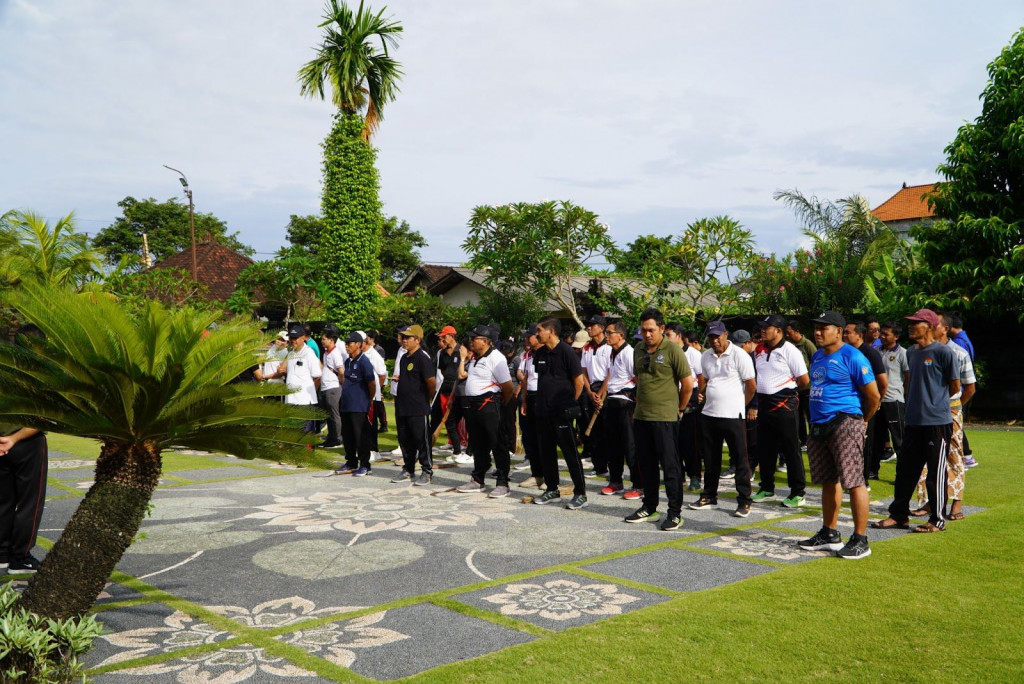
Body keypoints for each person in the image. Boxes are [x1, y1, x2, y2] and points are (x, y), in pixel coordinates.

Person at [798, 311, 880, 559]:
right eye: (816, 328)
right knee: (827, 480)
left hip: (845, 422)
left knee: (854, 481)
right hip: (819, 425)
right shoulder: (818, 356)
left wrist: (862, 422)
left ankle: (860, 539)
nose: (818, 332)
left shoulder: (853, 356)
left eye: (824, 328)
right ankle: (830, 533)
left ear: (839, 331)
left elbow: (874, 396)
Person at [872, 309, 959, 533]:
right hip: (912, 420)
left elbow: (955, 386)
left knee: (935, 472)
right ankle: (899, 515)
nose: (911, 326)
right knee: (905, 470)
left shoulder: (943, 352)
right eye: (910, 323)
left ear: (929, 325)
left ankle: (937, 519)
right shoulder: (911, 352)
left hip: (936, 423)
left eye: (916, 323)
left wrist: (934, 403)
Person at [625, 308, 694, 531]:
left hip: (666, 418)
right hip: (642, 416)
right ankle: (650, 507)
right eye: (644, 330)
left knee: (671, 467)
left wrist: (680, 409)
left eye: (651, 330)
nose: (647, 335)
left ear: (662, 329)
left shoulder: (673, 350)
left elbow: (688, 384)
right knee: (646, 465)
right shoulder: (637, 349)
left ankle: (674, 513)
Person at [913, 314, 977, 520]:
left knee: (954, 453)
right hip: (925, 412)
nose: (933, 326)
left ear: (945, 329)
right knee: (926, 455)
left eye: (937, 324)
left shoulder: (958, 352)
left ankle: (956, 502)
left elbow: (969, 387)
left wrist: (952, 405)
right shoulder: (918, 352)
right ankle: (930, 502)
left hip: (950, 409)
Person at [693, 321, 756, 517]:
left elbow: (751, 386)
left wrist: (740, 405)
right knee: (711, 458)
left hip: (733, 415)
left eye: (718, 336)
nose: (714, 340)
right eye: (711, 337)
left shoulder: (740, 355)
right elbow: (707, 380)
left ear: (725, 334)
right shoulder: (705, 356)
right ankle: (709, 495)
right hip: (710, 413)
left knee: (740, 459)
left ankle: (744, 500)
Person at [751, 315, 810, 507]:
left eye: (767, 327)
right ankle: (767, 487)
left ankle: (798, 492)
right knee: (765, 448)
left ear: (778, 330)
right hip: (764, 405)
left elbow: (804, 380)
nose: (762, 331)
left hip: (784, 405)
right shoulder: (758, 350)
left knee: (791, 448)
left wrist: (789, 396)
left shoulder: (790, 350)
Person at [532, 317, 588, 509]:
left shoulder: (567, 352)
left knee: (570, 453)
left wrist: (568, 403)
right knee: (546, 452)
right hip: (543, 412)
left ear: (551, 331)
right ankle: (552, 489)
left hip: (562, 412)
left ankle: (580, 493)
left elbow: (578, 382)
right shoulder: (539, 353)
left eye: (540, 330)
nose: (536, 333)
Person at [455, 326, 515, 496]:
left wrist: (501, 404)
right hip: (474, 404)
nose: (471, 341)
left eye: (475, 338)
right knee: (478, 443)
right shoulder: (475, 357)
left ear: (486, 341)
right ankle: (478, 479)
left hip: (489, 403)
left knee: (498, 443)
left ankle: (503, 482)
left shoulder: (496, 358)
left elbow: (508, 387)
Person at [597, 320, 642, 498]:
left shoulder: (629, 353)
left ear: (620, 335)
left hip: (626, 402)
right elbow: (611, 375)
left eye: (609, 333)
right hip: (613, 401)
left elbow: (637, 378)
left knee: (630, 445)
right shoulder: (613, 353)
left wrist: (636, 402)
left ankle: (639, 484)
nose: (606, 336)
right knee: (613, 445)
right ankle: (616, 481)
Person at [390, 325, 438, 485]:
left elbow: (431, 382)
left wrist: (426, 399)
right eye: (403, 337)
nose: (404, 340)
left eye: (408, 338)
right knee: (405, 440)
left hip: (418, 406)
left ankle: (427, 470)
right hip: (402, 405)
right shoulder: (404, 357)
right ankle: (408, 468)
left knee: (421, 440)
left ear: (417, 340)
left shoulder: (422, 357)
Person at [843, 321, 888, 483]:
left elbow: (883, 382)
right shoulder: (845, 352)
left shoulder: (870, 353)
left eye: (848, 332)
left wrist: (876, 402)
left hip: (866, 404)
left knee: (865, 442)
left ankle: (864, 479)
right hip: (849, 405)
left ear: (859, 335)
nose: (844, 335)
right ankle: (850, 476)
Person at [0, 425, 48, 574]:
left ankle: (2, 554)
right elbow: (40, 417)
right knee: (31, 502)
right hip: (27, 442)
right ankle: (20, 557)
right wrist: (14, 438)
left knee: (3, 501)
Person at [335, 332, 377, 476]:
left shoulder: (364, 362)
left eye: (350, 343)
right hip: (346, 404)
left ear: (359, 344)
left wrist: (368, 399)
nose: (347, 346)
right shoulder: (348, 361)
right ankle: (351, 462)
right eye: (346, 343)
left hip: (358, 405)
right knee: (348, 436)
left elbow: (371, 383)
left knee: (361, 436)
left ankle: (365, 465)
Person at [667, 324, 703, 492]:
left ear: (679, 336)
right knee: (672, 441)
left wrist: (699, 394)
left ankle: (694, 476)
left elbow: (702, 378)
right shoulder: (667, 352)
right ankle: (677, 475)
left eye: (669, 334)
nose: (666, 338)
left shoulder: (693, 354)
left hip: (690, 398)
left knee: (691, 442)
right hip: (671, 397)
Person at [579, 315, 611, 479]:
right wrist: (590, 392)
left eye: (592, 325)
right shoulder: (586, 348)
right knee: (594, 432)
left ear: (601, 328)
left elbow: (610, 373)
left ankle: (611, 466)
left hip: (606, 388)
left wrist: (600, 393)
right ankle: (599, 466)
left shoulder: (610, 347)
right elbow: (583, 371)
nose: (589, 328)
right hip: (590, 388)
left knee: (607, 430)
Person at [947, 312, 978, 468]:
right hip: (962, 388)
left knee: (955, 424)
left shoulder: (958, 344)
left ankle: (965, 456)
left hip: (960, 390)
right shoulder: (964, 339)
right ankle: (966, 455)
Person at [432, 325, 467, 462]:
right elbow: (442, 370)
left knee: (464, 422)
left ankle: (468, 450)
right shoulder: (442, 353)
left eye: (444, 336)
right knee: (449, 422)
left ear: (451, 336)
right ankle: (457, 451)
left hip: (460, 390)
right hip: (446, 389)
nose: (442, 339)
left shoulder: (463, 350)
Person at [876, 322, 909, 465]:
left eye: (886, 334)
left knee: (899, 439)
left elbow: (908, 377)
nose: (882, 336)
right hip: (877, 400)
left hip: (893, 400)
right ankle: (872, 471)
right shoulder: (876, 351)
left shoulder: (903, 353)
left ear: (896, 336)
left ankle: (903, 475)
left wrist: (903, 393)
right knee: (877, 439)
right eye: (881, 333)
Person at [281, 324, 322, 434]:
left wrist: (310, 393)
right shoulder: (290, 353)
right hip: (290, 400)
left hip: (304, 401)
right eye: (291, 338)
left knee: (305, 433)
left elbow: (317, 376)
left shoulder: (309, 353)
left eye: (295, 338)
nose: (293, 340)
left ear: (303, 337)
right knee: (292, 432)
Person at [517, 324, 544, 486]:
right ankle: (536, 474)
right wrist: (524, 401)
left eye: (530, 336)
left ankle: (548, 476)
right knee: (530, 438)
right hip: (530, 397)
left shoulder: (547, 352)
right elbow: (526, 378)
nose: (527, 339)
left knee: (544, 439)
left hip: (544, 396)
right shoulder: (528, 355)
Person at [786, 320, 817, 450]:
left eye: (789, 332)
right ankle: (803, 440)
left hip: (808, 387)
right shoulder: (788, 346)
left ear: (797, 331)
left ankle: (813, 440)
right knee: (797, 416)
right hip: (795, 387)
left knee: (810, 415)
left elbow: (816, 362)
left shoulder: (807, 344)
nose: (787, 335)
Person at [732, 329, 759, 477]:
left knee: (752, 437)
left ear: (749, 343)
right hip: (737, 401)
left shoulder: (754, 358)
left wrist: (754, 406)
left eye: (741, 346)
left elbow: (756, 384)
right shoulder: (736, 356)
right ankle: (738, 465)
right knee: (739, 437)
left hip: (751, 402)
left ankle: (751, 466)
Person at [318, 325, 346, 449]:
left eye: (324, 339)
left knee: (334, 414)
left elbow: (341, 371)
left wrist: (340, 383)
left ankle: (337, 438)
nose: (322, 341)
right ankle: (330, 437)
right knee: (327, 414)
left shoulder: (335, 353)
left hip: (333, 387)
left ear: (331, 340)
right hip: (325, 387)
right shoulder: (326, 353)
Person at [362, 331, 389, 440]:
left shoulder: (375, 355)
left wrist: (377, 389)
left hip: (372, 395)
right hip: (362, 395)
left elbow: (382, 375)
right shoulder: (360, 355)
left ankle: (373, 449)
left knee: (371, 422)